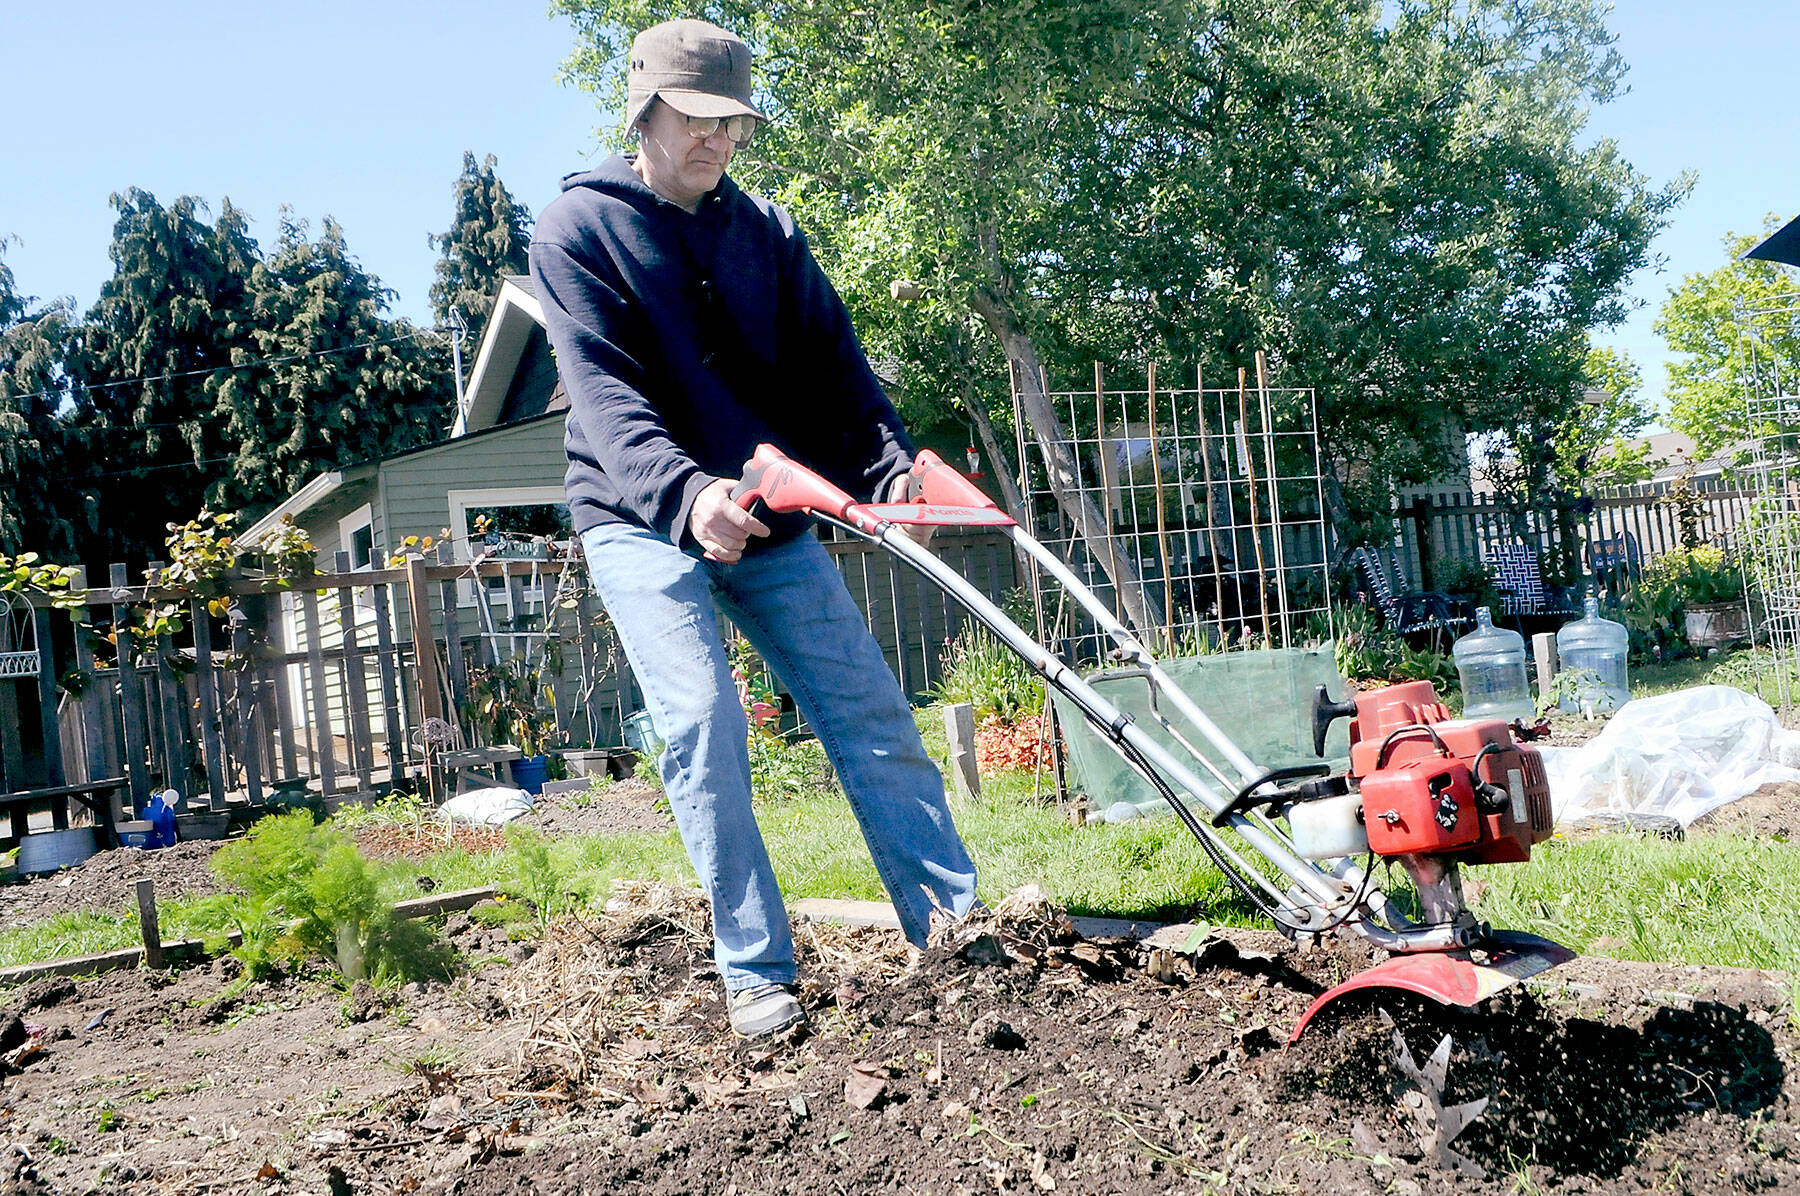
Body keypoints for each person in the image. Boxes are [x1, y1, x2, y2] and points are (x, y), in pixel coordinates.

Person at [529, 18, 980, 1040]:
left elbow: (836, 376)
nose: (716, 142)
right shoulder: (577, 230)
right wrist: (687, 496)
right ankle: (757, 973)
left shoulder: (767, 234)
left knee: (869, 709)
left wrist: (892, 470)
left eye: (732, 123)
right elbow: (606, 399)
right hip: (642, 517)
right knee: (702, 723)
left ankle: (953, 928)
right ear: (643, 109)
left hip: (768, 512)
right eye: (695, 119)